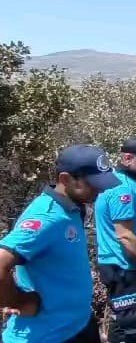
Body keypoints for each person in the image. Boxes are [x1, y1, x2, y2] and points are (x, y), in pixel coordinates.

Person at [0, 144, 121, 343]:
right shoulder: (47, 218)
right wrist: (18, 301)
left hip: (78, 326)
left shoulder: (74, 207)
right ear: (65, 179)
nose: (99, 190)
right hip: (46, 335)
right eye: (92, 183)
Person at [94, 136, 136, 343]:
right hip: (124, 268)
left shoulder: (123, 183)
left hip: (120, 266)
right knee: (135, 331)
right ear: (127, 158)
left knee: (127, 323)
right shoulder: (122, 188)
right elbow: (124, 234)